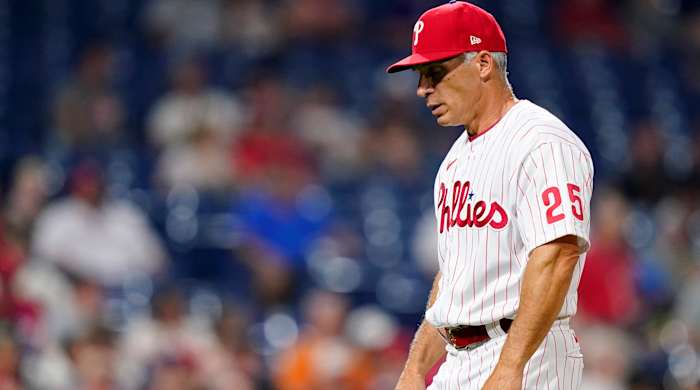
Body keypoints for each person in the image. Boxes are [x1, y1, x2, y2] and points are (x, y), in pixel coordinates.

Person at [386, 1, 594, 389]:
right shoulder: (454, 161)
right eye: (419, 75)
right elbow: (453, 278)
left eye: (434, 72)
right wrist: (415, 369)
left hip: (529, 354)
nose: (422, 89)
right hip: (457, 359)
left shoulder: (541, 142)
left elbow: (558, 254)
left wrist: (511, 366)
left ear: (483, 63)